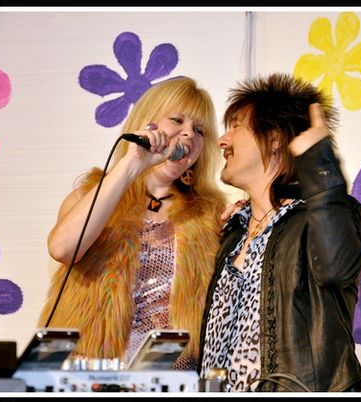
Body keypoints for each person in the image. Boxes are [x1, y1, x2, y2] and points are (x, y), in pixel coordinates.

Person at [38, 76, 227, 371]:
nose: (189, 134)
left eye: (199, 130)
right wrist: (132, 164)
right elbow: (62, 248)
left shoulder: (209, 215)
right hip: (90, 373)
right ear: (148, 124)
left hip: (168, 375)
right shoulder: (92, 194)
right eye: (177, 120)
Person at [198, 73, 361, 392]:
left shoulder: (322, 216)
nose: (222, 140)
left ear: (275, 138)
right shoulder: (234, 231)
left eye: (236, 126)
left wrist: (319, 161)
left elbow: (337, 269)